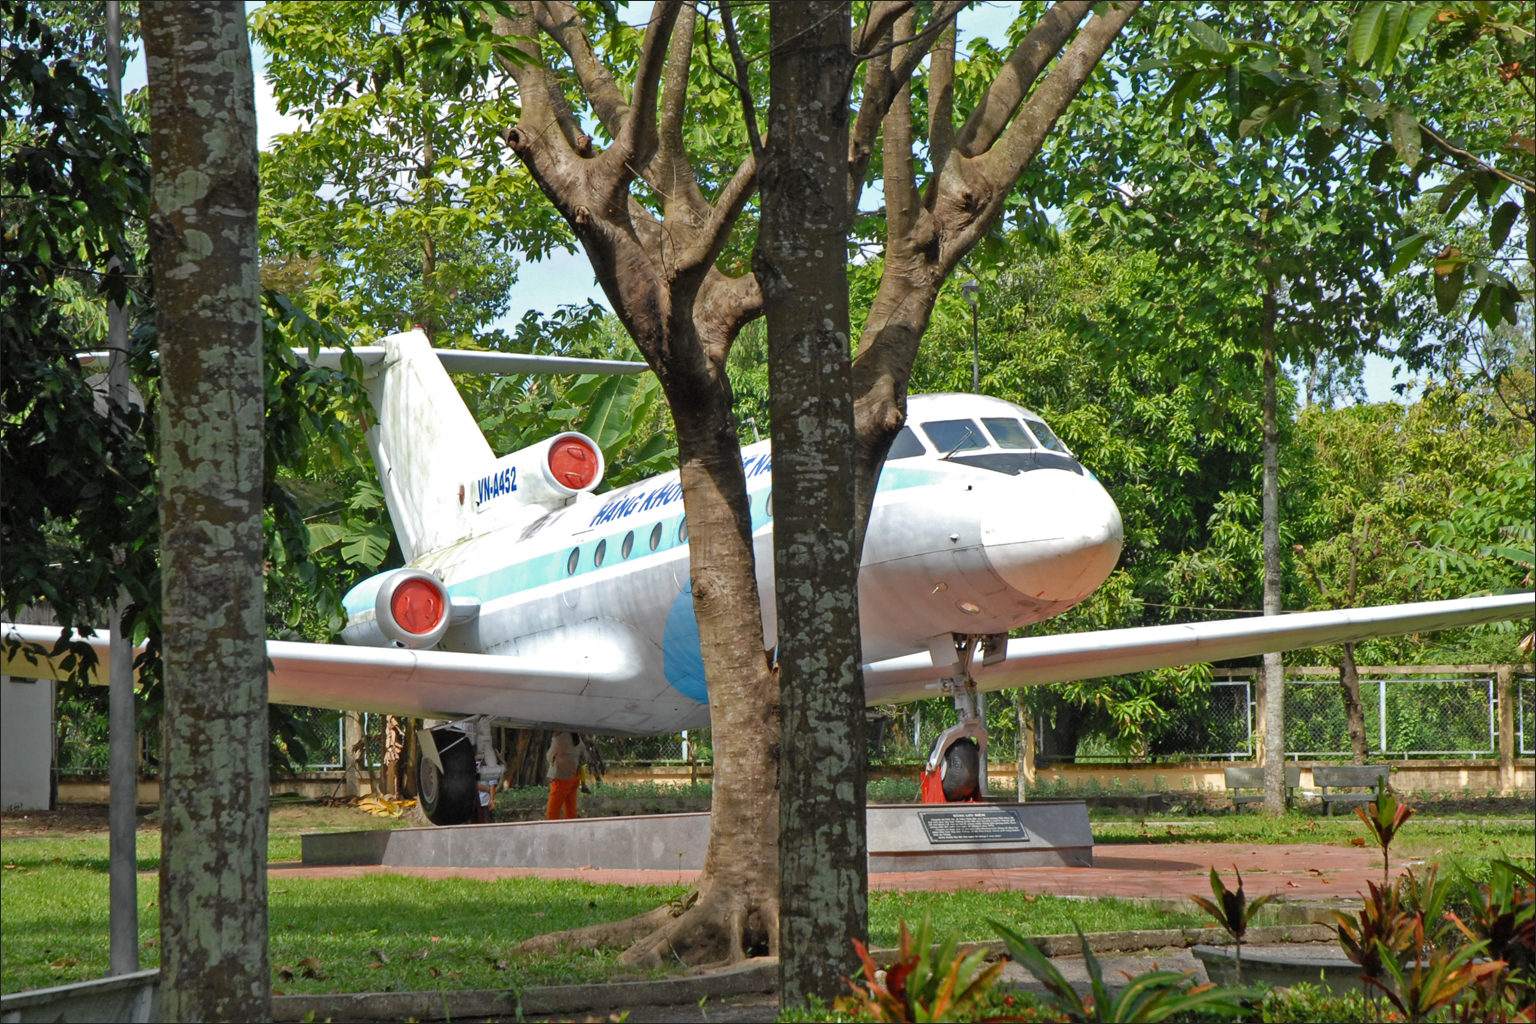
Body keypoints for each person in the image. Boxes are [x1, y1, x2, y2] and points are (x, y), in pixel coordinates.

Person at [545, 732, 584, 820]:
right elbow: (582, 753)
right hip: (574, 777)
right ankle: (571, 827)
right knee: (571, 806)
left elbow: (549, 757)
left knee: (553, 809)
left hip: (561, 778)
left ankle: (552, 829)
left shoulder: (559, 740)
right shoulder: (577, 737)